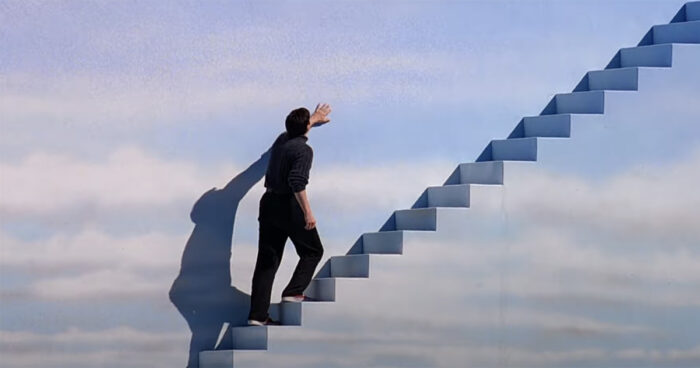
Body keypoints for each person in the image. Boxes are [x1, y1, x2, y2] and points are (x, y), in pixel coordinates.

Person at [247, 103, 332, 326]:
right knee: (313, 251)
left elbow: (294, 130)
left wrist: (313, 119)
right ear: (306, 126)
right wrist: (308, 213)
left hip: (267, 204)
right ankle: (294, 291)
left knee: (267, 262)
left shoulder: (282, 141)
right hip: (289, 204)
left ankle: (257, 316)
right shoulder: (304, 150)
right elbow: (297, 183)